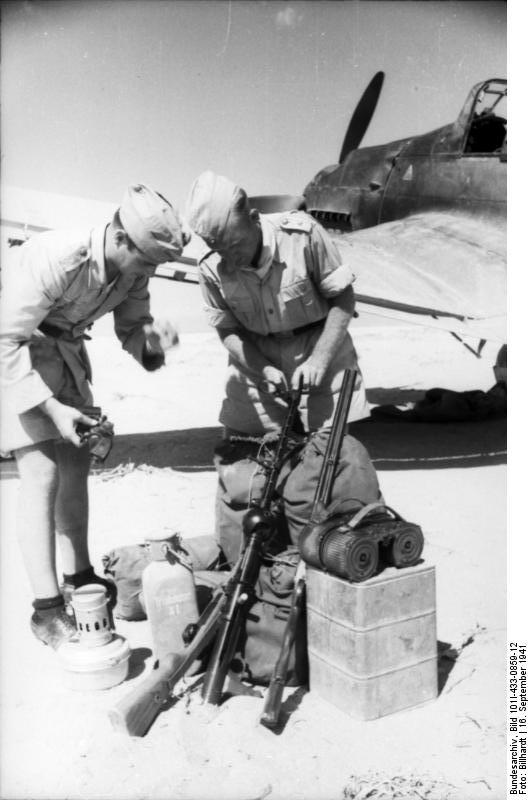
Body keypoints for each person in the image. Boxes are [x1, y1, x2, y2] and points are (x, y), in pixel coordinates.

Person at [0, 183, 190, 650]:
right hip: (16, 353)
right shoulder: (61, 257)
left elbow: (132, 330)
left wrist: (154, 344)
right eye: (147, 260)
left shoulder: (133, 270)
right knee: (41, 473)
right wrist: (51, 408)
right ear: (121, 238)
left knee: (76, 466)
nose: (150, 271)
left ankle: (78, 575)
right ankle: (46, 610)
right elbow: (4, 338)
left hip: (66, 353)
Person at [185, 171, 374, 562]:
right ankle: (254, 570)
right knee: (242, 467)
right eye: (220, 248)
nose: (231, 257)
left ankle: (332, 554)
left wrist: (320, 359)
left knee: (329, 467)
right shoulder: (210, 266)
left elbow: (344, 300)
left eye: (236, 243)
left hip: (319, 345)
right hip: (256, 361)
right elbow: (228, 330)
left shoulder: (303, 235)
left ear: (254, 219)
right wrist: (262, 370)